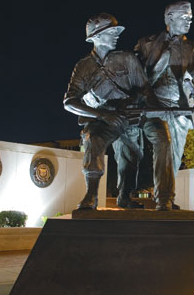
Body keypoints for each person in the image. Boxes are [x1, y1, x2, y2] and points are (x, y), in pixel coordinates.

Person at [63, 13, 174, 210]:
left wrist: (144, 106)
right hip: (104, 117)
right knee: (93, 139)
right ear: (95, 37)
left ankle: (158, 198)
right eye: (111, 31)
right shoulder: (83, 67)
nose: (116, 35)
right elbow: (70, 101)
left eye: (116, 31)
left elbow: (145, 89)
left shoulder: (127, 58)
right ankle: (91, 196)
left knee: (156, 140)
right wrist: (103, 115)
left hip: (133, 112)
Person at [134, 1, 194, 189]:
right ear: (169, 18)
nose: (189, 22)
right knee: (163, 145)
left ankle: (166, 196)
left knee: (175, 154)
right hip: (152, 107)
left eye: (191, 18)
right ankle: (160, 197)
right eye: (185, 17)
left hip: (179, 108)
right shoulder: (146, 43)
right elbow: (133, 74)